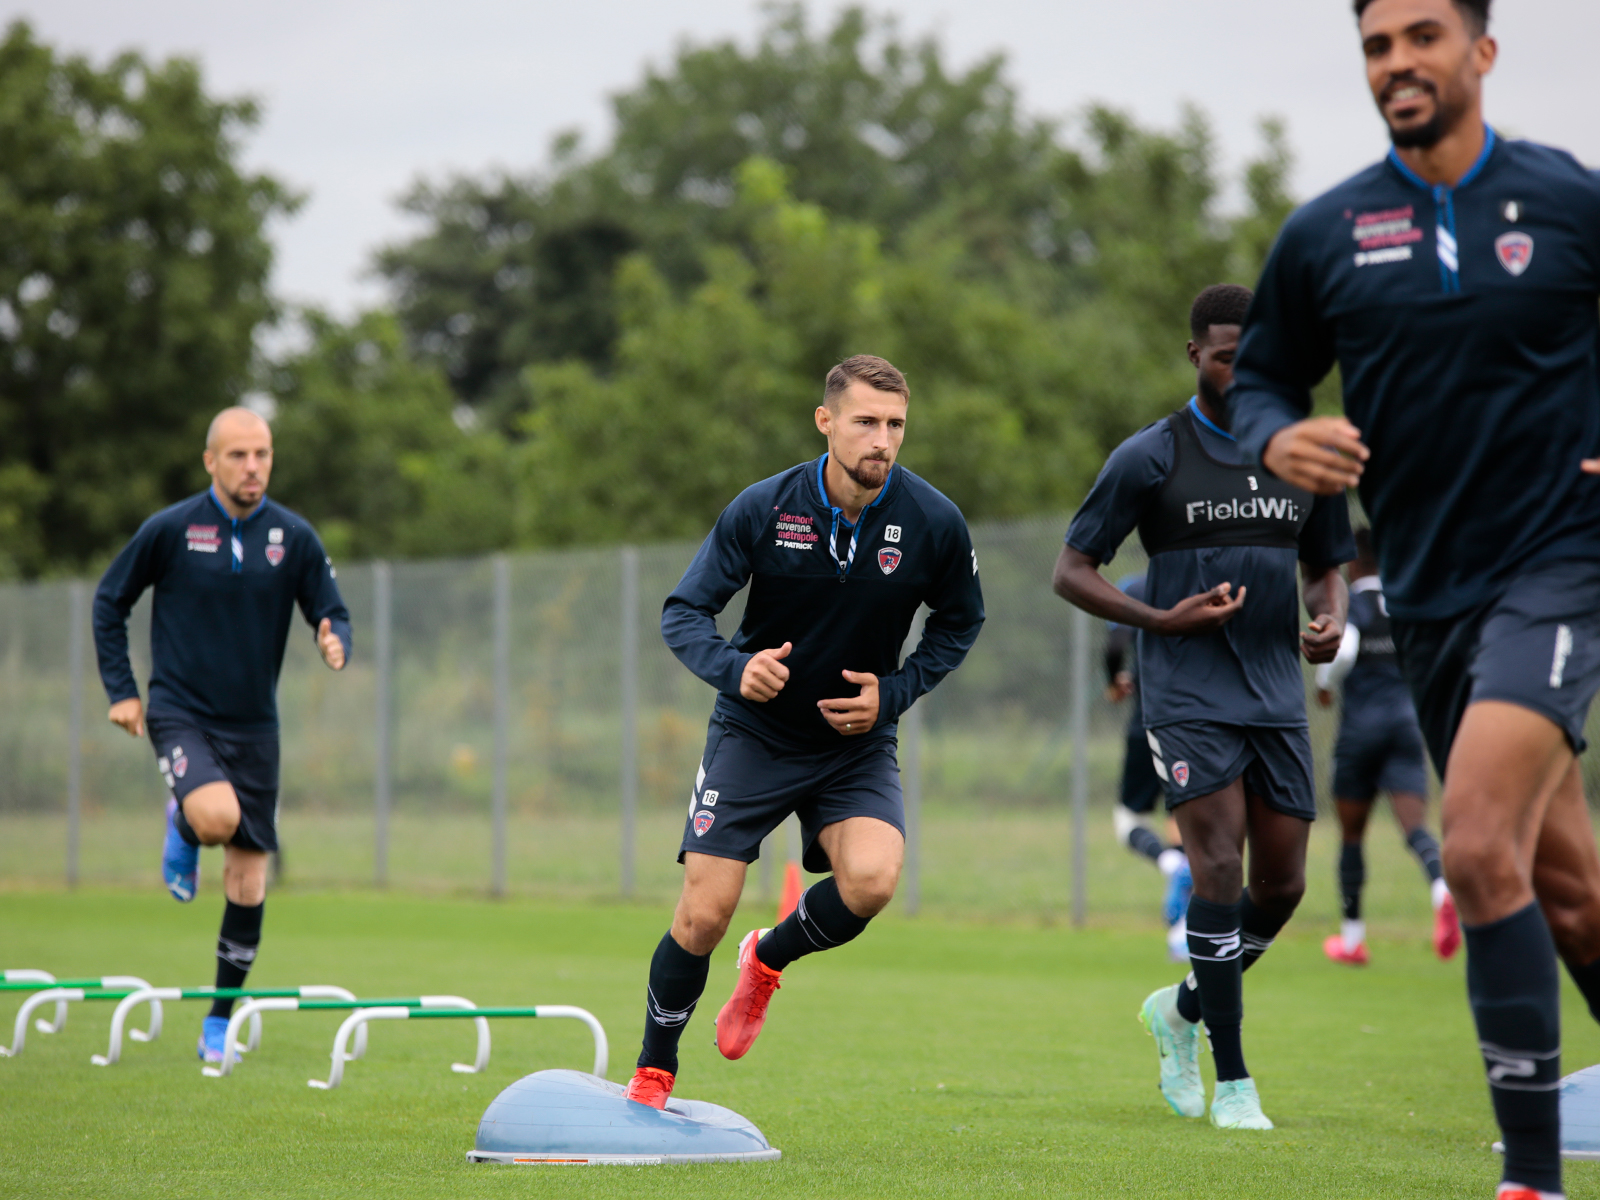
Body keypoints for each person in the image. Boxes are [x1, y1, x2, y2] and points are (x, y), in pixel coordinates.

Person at [1228, 1, 1600, 1193]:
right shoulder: (1327, 231)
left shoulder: (1564, 199)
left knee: (1479, 845)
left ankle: (1531, 1180)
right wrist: (1279, 438)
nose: (1398, 62)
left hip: (1560, 565)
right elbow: (1262, 379)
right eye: (1378, 45)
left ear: (1480, 52)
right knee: (1569, 892)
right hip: (1426, 594)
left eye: (1422, 37)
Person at [622, 354, 985, 1109]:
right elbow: (683, 612)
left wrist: (895, 693)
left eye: (895, 425)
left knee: (874, 881)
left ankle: (767, 960)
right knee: (704, 913)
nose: (882, 441)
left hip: (854, 745)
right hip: (754, 735)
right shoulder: (763, 508)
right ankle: (655, 1069)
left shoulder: (934, 522)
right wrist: (734, 669)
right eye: (865, 423)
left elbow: (960, 621)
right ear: (826, 423)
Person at [1054, 284, 1353, 1131]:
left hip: (1275, 693)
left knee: (1284, 884)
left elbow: (1326, 563)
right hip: (1185, 692)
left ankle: (1179, 1008)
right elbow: (1071, 571)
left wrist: (1330, 618)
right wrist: (1159, 619)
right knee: (1217, 870)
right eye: (1227, 354)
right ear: (1197, 356)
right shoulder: (1150, 456)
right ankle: (1234, 1082)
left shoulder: (1307, 455)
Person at [93, 407, 351, 1063]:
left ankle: (217, 1024)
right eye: (237, 455)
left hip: (255, 727)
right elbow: (109, 600)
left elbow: (331, 606)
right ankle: (184, 822)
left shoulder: (292, 536)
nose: (252, 466)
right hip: (181, 710)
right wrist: (122, 690)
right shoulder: (172, 529)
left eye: (262, 453)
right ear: (210, 461)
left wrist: (333, 636)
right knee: (215, 817)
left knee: (247, 882)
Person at [1314, 526, 1459, 966]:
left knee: (1353, 835)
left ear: (1352, 564)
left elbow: (1344, 651)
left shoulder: (1352, 605)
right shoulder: (1403, 606)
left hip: (1361, 729)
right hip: (1406, 725)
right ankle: (1441, 889)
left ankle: (1353, 940)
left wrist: (1324, 685)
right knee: (1415, 827)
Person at [1104, 573, 1193, 962]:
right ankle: (1182, 935)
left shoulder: (1136, 588)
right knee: (1186, 822)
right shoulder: (1201, 584)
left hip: (1147, 724)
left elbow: (1114, 645)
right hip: (1196, 727)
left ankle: (1168, 864)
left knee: (1127, 822)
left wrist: (1114, 681)